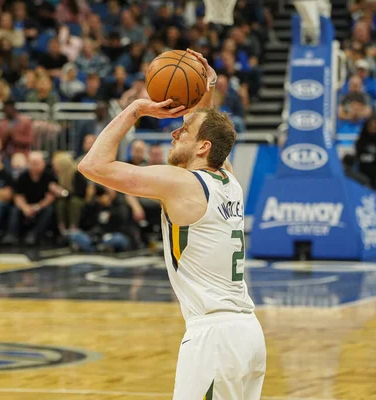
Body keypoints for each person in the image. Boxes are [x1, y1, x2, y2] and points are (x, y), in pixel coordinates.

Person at [78, 49, 265, 399]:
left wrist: (135, 109)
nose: (174, 131)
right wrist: (206, 84)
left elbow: (93, 165)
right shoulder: (229, 179)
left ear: (203, 146)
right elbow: (205, 120)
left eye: (184, 130)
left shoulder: (182, 184)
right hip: (247, 335)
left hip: (214, 340)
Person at [3, 151, 57, 246]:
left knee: (49, 210)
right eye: (33, 163)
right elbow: (18, 196)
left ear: (43, 163)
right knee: (14, 210)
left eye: (37, 163)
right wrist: (25, 207)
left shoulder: (49, 176)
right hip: (26, 204)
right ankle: (11, 234)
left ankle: (34, 234)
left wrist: (37, 207)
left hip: (42, 205)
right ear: (28, 163)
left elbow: (50, 197)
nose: (35, 166)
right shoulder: (22, 176)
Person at [355, 117, 376, 188]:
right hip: (362, 171)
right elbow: (358, 155)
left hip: (375, 172)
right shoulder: (361, 141)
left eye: (375, 126)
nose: (373, 128)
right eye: (371, 126)